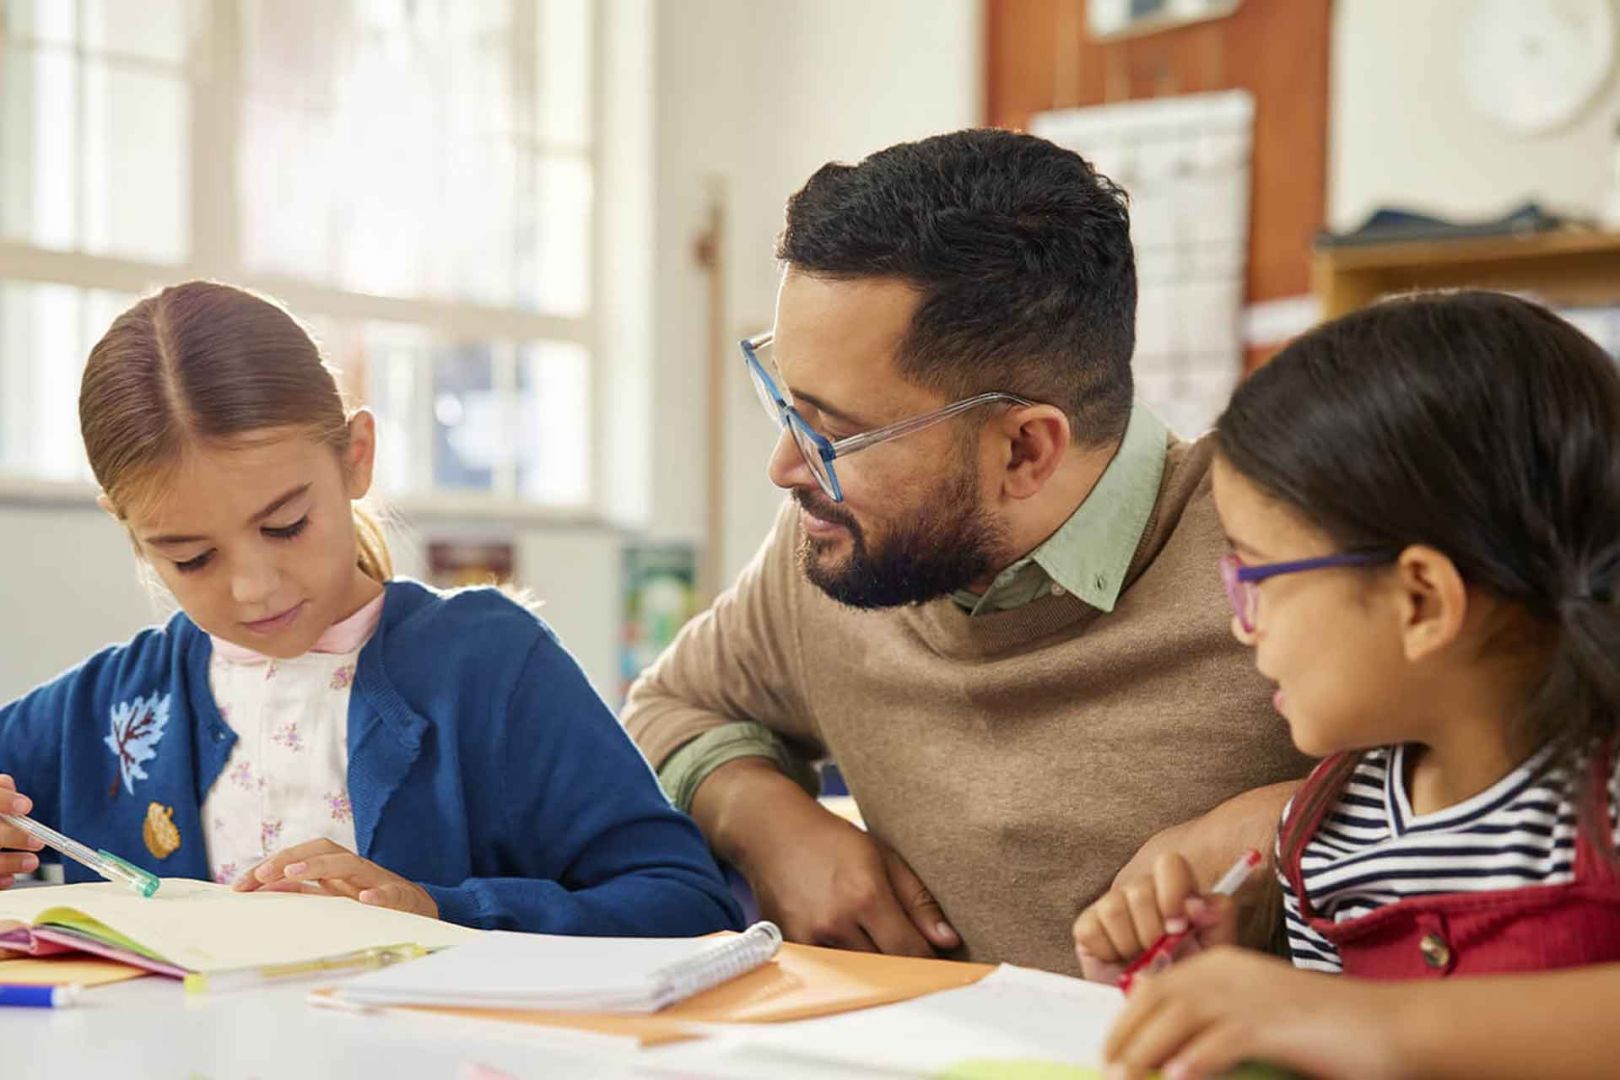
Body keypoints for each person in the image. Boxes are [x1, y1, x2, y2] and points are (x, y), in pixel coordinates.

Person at [625, 128, 1308, 975]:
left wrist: (1289, 828)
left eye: (831, 433)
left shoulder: (1285, 550)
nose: (783, 467)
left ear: (1024, 451)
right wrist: (770, 826)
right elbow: (668, 707)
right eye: (786, 405)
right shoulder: (834, 545)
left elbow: (1504, 776)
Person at [0, 281, 741, 938]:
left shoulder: (489, 667)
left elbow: (685, 904)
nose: (253, 587)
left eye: (286, 525)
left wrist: (439, 911)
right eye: (191, 558)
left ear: (357, 456)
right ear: (128, 528)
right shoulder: (104, 711)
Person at [1074, 291, 1620, 1079]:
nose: (1242, 624)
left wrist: (1361, 1020)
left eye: (1256, 576)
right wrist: (1204, 999)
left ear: (1421, 601)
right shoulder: (1329, 832)